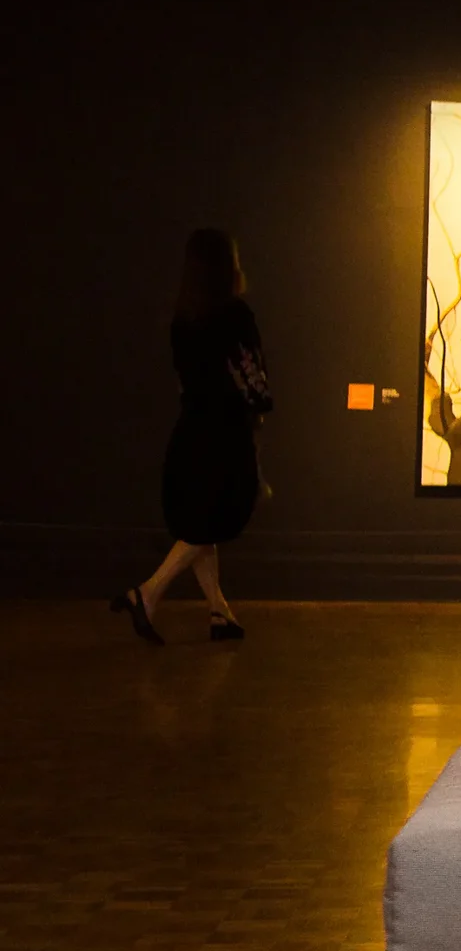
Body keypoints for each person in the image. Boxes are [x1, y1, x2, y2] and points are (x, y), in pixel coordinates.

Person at [114, 229, 273, 645]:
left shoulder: (183, 319)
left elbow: (188, 382)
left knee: (206, 521)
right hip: (226, 434)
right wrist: (259, 418)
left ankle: (219, 612)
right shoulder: (234, 315)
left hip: (191, 433)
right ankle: (147, 594)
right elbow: (250, 375)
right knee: (213, 521)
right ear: (228, 267)